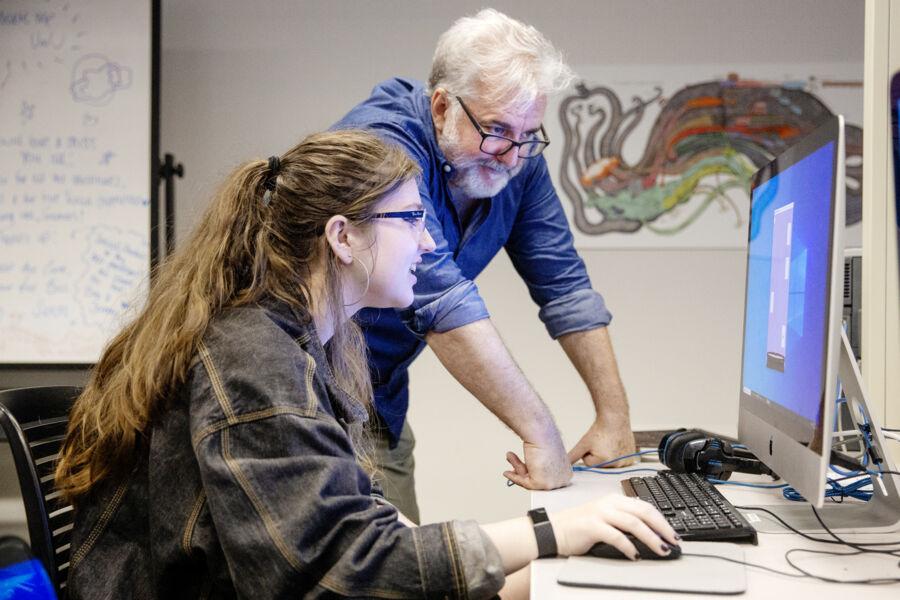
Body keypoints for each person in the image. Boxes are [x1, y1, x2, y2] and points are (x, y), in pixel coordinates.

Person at [53, 130, 678, 599]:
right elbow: (342, 570)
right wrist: (550, 533)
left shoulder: (306, 338)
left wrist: (538, 573)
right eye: (411, 220)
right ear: (342, 236)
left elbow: (368, 525)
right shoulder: (254, 358)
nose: (430, 243)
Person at [333, 9, 636, 523]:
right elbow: (441, 301)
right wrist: (541, 435)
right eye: (495, 129)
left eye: (528, 134)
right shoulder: (380, 146)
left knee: (408, 569)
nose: (512, 156)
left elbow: (564, 285)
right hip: (301, 395)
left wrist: (614, 418)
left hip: (378, 401)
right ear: (441, 106)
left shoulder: (517, 158)